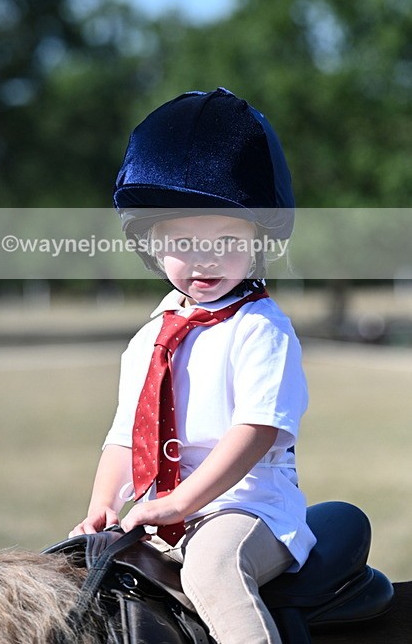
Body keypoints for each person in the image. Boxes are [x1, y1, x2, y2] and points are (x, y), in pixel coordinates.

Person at [70, 87, 316, 644]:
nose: (205, 257)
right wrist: (103, 506)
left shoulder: (259, 327)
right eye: (183, 240)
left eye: (226, 239)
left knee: (213, 572)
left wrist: (183, 501)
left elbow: (258, 429)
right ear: (153, 246)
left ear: (259, 242)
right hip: (161, 511)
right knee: (79, 577)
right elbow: (124, 437)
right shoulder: (150, 339)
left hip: (246, 508)